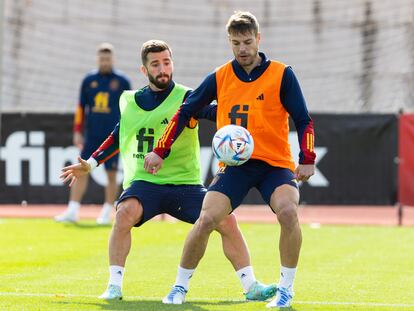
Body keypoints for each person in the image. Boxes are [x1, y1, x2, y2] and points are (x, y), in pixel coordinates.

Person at [60, 40, 277, 303]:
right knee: (124, 213)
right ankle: (114, 286)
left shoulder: (187, 97)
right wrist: (91, 163)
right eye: (155, 64)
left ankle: (251, 285)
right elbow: (119, 135)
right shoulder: (130, 100)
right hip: (145, 183)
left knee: (226, 219)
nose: (163, 68)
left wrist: (249, 116)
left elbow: (215, 112)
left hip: (186, 184)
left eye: (166, 62)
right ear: (144, 70)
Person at [144, 12, 316, 308]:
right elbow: (186, 110)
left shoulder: (281, 73)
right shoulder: (220, 76)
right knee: (207, 219)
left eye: (248, 42)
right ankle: (179, 287)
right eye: (236, 43)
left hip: (275, 164)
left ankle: (286, 290)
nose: (243, 49)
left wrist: (308, 157)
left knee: (288, 212)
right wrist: (161, 149)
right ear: (229, 42)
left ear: (258, 39)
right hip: (235, 166)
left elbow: (303, 119)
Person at [55, 43, 131, 225]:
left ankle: (106, 211)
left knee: (111, 173)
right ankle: (73, 209)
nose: (105, 62)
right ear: (98, 59)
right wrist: (77, 131)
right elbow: (81, 107)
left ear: (113, 59)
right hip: (92, 133)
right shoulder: (88, 80)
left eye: (108, 58)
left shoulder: (122, 81)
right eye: (102, 58)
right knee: (81, 169)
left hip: (113, 134)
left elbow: (129, 109)